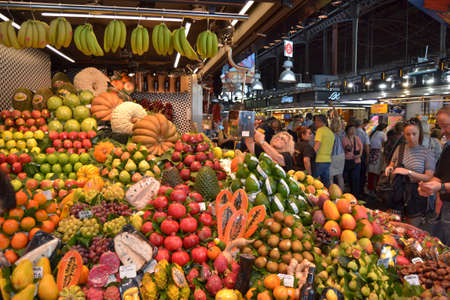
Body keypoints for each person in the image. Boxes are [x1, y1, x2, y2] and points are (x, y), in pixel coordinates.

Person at [385, 118, 435, 227]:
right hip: (398, 190)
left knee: (411, 227)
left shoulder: (427, 152)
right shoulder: (400, 148)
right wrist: (389, 168)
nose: (411, 137)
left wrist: (408, 172)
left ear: (420, 133)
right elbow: (392, 163)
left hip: (415, 193)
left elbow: (428, 177)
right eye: (407, 134)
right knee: (392, 225)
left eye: (414, 134)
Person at [419, 106, 450, 245]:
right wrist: (428, 185)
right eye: (440, 127)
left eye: (446, 126)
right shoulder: (447, 147)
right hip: (445, 207)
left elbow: (441, 183)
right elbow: (440, 174)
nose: (442, 132)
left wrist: (440, 186)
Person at [313, 115, 335, 188]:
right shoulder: (330, 132)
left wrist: (311, 155)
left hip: (319, 160)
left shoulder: (320, 130)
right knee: (326, 182)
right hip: (328, 160)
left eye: (315, 121)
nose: (315, 123)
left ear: (320, 121)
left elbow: (317, 145)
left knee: (313, 180)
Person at [342, 124, 363, 198]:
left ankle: (355, 195)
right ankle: (349, 195)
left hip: (357, 161)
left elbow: (361, 147)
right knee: (348, 178)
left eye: (354, 129)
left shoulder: (357, 138)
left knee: (356, 178)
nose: (353, 131)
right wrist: (348, 148)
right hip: (347, 161)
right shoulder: (344, 138)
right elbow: (345, 149)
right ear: (347, 131)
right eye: (351, 129)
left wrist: (359, 155)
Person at [367, 123, 388, 195]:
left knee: (371, 172)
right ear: (384, 129)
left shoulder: (374, 132)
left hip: (371, 153)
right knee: (376, 172)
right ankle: (374, 189)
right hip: (377, 154)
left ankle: (370, 189)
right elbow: (385, 143)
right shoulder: (382, 134)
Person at [354, 119, 370, 196]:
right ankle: (360, 190)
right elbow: (366, 145)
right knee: (362, 173)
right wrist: (367, 156)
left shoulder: (352, 132)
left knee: (354, 173)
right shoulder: (363, 133)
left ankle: (354, 190)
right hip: (362, 153)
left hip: (351, 154)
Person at [329, 117, 345, 190]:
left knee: (331, 176)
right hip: (341, 155)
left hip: (332, 155)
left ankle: (332, 193)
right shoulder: (342, 133)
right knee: (340, 176)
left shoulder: (330, 134)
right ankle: (341, 193)